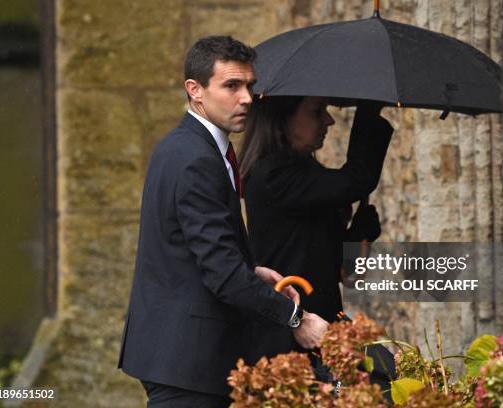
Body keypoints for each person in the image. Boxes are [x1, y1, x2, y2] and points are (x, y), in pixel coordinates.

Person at [118, 36, 328, 408]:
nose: (246, 98)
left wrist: (252, 270)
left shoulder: (186, 146)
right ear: (195, 90)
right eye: (231, 85)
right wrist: (298, 320)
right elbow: (223, 274)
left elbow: (195, 249)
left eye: (249, 85)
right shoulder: (196, 159)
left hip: (181, 355)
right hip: (187, 361)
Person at [238, 95, 392, 359]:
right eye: (317, 111)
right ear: (282, 118)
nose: (329, 120)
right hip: (294, 333)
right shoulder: (274, 176)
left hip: (322, 325)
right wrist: (369, 108)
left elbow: (346, 274)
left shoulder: (301, 173)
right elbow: (356, 180)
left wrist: (360, 234)